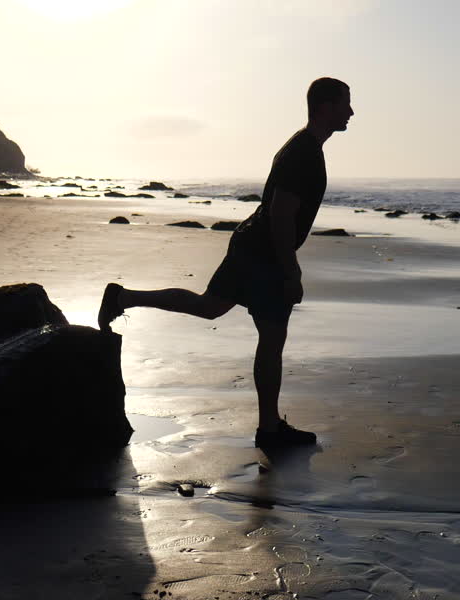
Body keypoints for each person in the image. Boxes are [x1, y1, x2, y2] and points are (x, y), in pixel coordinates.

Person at [98, 77, 353, 449]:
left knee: (210, 306)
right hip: (264, 253)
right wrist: (290, 271)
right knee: (271, 336)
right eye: (345, 103)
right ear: (326, 106)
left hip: (252, 243)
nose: (351, 111)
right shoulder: (305, 153)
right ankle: (269, 429)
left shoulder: (303, 146)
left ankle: (123, 298)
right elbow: (282, 214)